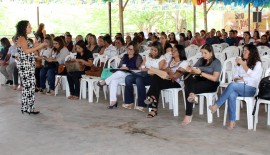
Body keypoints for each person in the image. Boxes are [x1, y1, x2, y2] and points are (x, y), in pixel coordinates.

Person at [209, 44, 262, 129]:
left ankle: (216, 105)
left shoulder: (257, 63)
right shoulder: (240, 63)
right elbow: (235, 76)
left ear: (251, 52)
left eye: (245, 51)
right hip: (239, 86)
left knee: (232, 85)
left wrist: (243, 72)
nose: (243, 52)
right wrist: (241, 77)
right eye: (243, 50)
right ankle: (232, 122)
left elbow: (253, 77)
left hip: (251, 89)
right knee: (232, 94)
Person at [181, 44, 221, 125]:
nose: (203, 55)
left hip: (211, 83)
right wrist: (190, 69)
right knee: (186, 75)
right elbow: (193, 70)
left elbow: (215, 78)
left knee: (187, 88)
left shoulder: (217, 62)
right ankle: (192, 94)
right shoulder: (201, 60)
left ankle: (188, 114)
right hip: (200, 81)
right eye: (202, 53)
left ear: (211, 53)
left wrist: (201, 73)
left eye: (205, 53)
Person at [144, 45, 189, 117]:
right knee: (156, 79)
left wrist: (168, 72)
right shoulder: (169, 60)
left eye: (174, 50)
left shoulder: (184, 63)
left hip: (175, 83)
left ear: (180, 52)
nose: (172, 52)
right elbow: (162, 70)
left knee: (156, 80)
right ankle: (153, 106)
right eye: (172, 50)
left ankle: (151, 99)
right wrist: (167, 71)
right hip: (165, 80)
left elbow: (176, 76)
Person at [122, 41, 166, 111]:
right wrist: (141, 68)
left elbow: (159, 71)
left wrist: (148, 69)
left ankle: (142, 105)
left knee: (139, 80)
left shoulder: (162, 58)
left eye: (155, 50)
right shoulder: (148, 56)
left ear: (159, 51)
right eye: (151, 49)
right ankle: (129, 102)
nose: (152, 52)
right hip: (143, 74)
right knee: (128, 78)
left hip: (153, 77)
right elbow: (142, 65)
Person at [97, 41, 143, 108]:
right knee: (114, 80)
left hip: (131, 75)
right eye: (128, 49)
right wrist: (121, 67)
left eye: (131, 49)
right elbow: (119, 65)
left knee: (119, 73)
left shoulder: (138, 57)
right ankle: (113, 101)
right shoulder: (125, 56)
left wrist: (128, 68)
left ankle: (104, 82)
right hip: (122, 74)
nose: (129, 51)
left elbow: (138, 69)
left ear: (135, 50)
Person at [15, 20, 45, 114]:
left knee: (28, 87)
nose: (31, 28)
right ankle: (30, 108)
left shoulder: (24, 38)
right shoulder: (22, 38)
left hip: (28, 65)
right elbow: (27, 51)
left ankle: (25, 107)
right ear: (24, 28)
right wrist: (41, 45)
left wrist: (38, 42)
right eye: (29, 26)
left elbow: (33, 49)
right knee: (30, 87)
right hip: (26, 66)